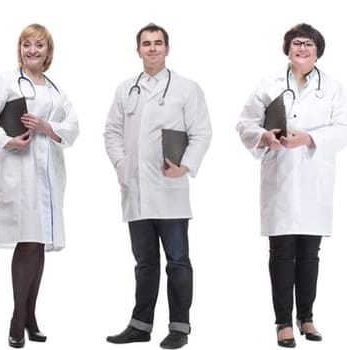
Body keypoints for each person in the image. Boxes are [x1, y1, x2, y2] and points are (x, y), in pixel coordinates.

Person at [233, 23, 347, 349]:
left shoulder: (333, 88)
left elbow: (344, 128)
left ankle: (308, 316)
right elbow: (245, 123)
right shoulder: (268, 84)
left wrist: (310, 138)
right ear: (287, 49)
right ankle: (283, 322)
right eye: (297, 43)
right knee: (282, 252)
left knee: (310, 253)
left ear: (318, 51)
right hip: (280, 178)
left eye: (309, 44)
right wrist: (264, 137)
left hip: (315, 181)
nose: (302, 48)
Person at [101, 23, 211, 350]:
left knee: (177, 260)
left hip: (170, 190)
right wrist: (123, 168)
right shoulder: (126, 89)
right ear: (138, 50)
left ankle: (179, 326)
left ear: (167, 48)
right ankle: (140, 325)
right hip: (135, 192)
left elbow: (202, 133)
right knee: (144, 263)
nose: (152, 48)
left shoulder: (186, 89)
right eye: (146, 44)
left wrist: (186, 167)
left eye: (158, 43)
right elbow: (111, 134)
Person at [0, 23, 80, 349]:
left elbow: (73, 127)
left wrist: (48, 126)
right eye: (27, 45)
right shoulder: (4, 81)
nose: (32, 50)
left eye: (39, 45)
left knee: (39, 243)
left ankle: (30, 316)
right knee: (28, 242)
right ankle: (17, 320)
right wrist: (8, 142)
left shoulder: (55, 89)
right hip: (19, 172)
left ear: (49, 51)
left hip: (48, 175)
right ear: (20, 49)